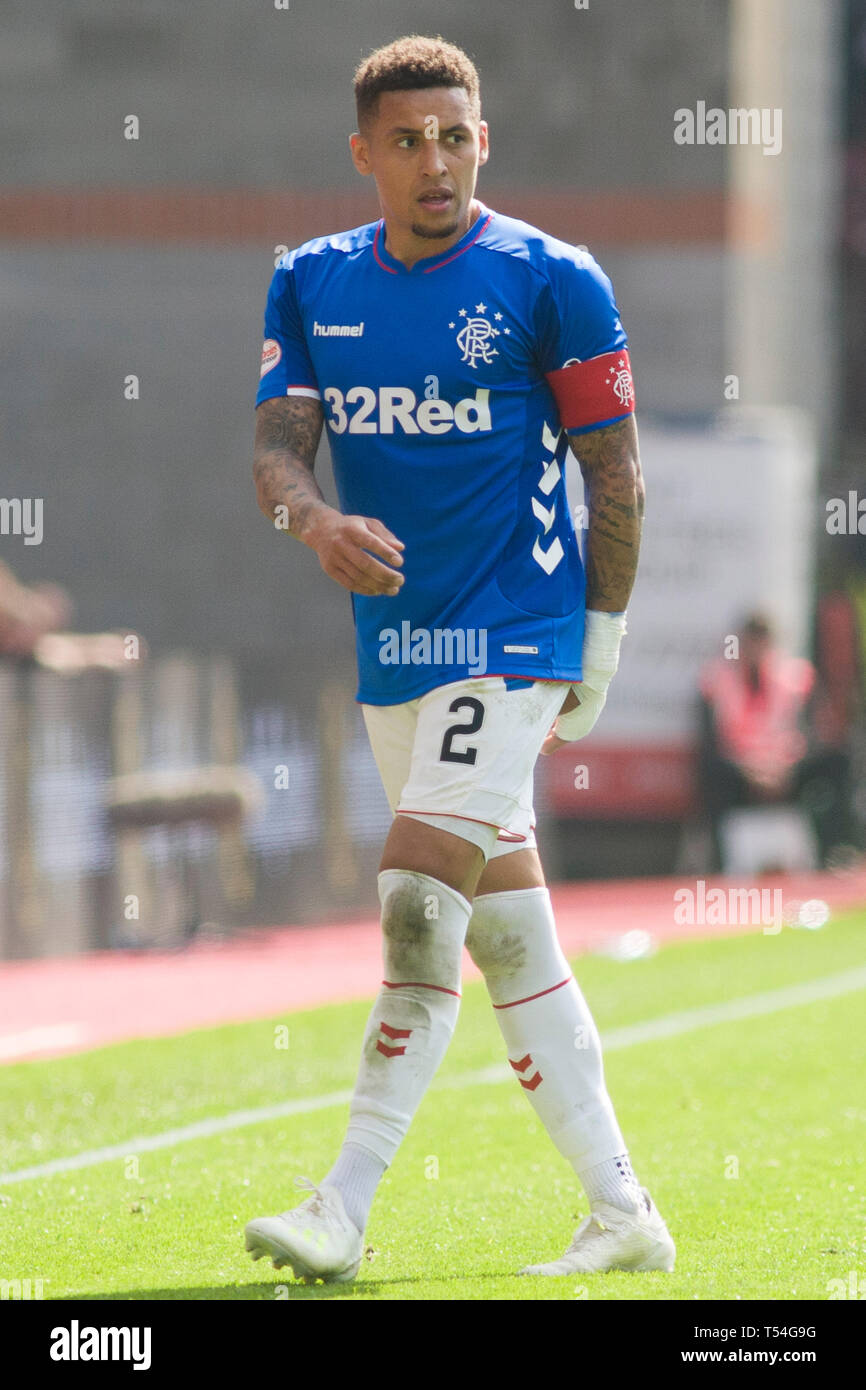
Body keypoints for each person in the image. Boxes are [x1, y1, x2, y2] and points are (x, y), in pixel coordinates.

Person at [244, 34, 674, 1283]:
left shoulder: (552, 279)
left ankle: (342, 1204)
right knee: (504, 940)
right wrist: (311, 519)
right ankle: (622, 1214)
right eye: (407, 140)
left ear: (481, 139)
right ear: (364, 155)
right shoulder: (309, 282)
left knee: (416, 904)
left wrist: (594, 643)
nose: (434, 161)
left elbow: (616, 475)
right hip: (399, 648)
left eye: (455, 135)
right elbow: (276, 452)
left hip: (516, 631)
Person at [698, 613, 854, 869]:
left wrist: (784, 769)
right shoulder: (717, 679)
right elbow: (711, 741)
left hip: (788, 769)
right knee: (712, 773)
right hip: (740, 771)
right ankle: (718, 858)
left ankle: (836, 851)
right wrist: (751, 771)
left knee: (839, 760)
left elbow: (814, 734)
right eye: (750, 641)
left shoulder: (796, 678)